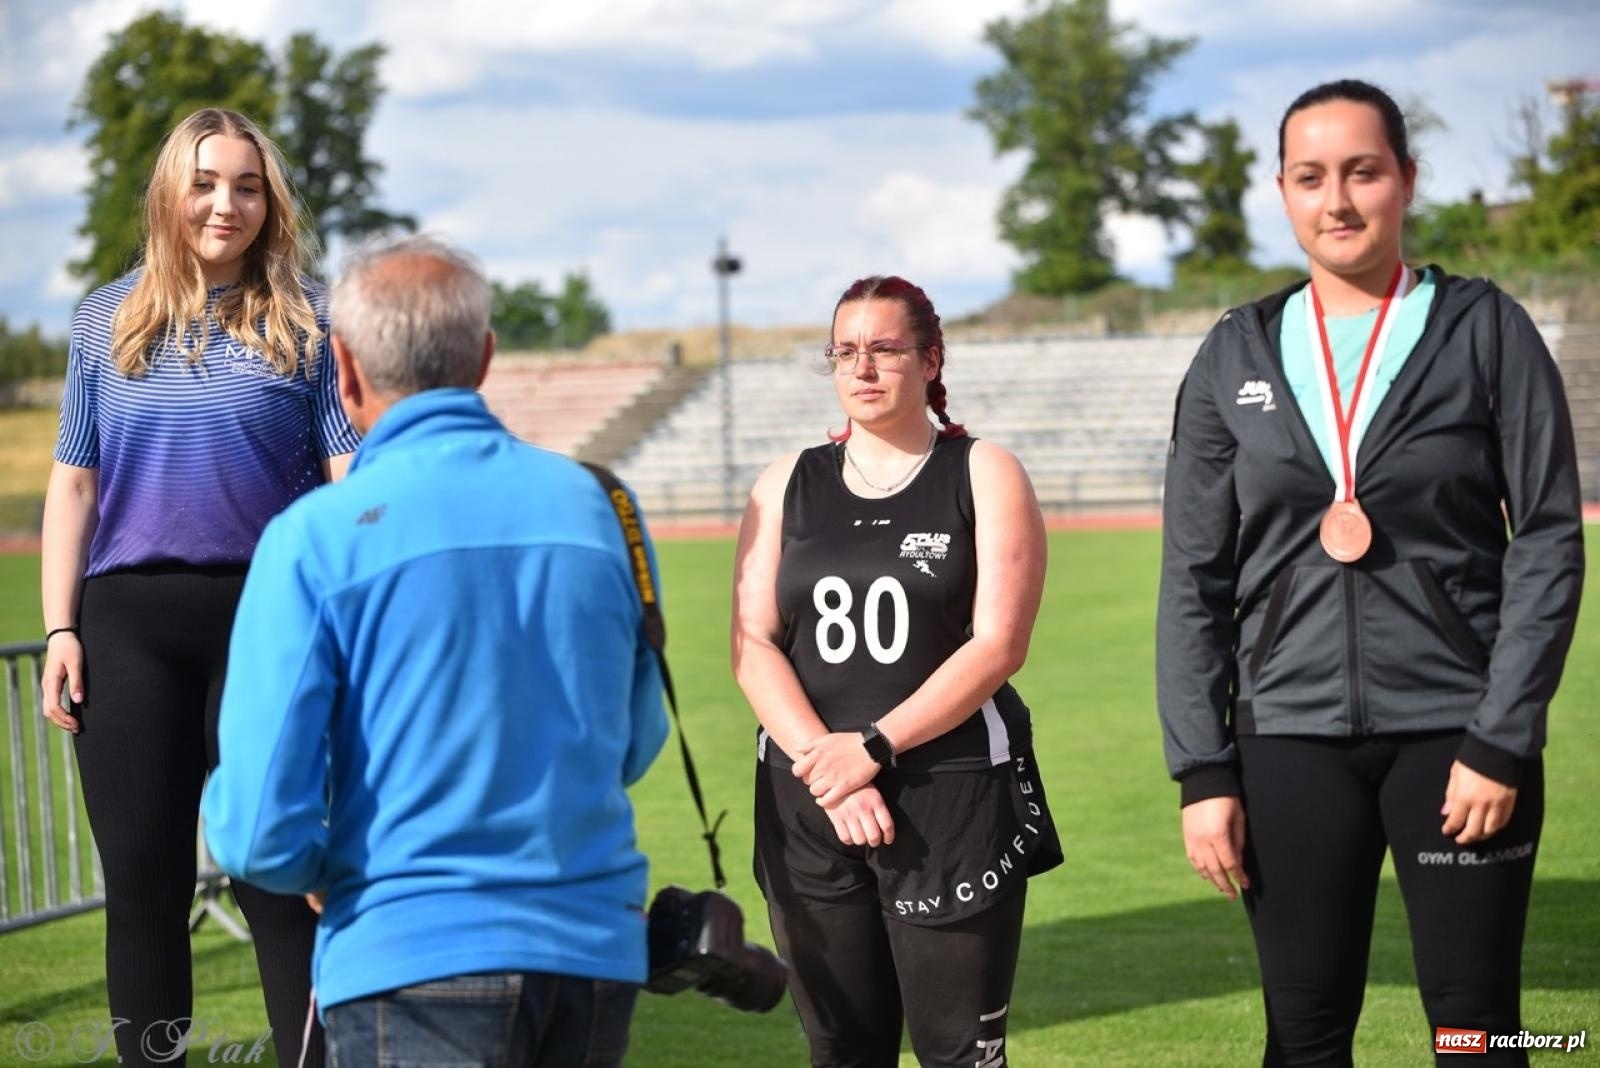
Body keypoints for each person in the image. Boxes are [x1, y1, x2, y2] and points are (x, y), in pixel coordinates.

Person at [1157, 79, 1585, 1066]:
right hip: (1287, 744)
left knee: (1478, 1031)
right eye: (1310, 177)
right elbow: (1192, 578)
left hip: (1457, 736)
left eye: (1362, 171)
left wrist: (1501, 737)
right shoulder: (1233, 354)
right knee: (1302, 1038)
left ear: (1405, 180)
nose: (1337, 200)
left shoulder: (1485, 329)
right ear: (1282, 190)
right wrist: (1202, 769)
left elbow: (1550, 540)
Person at [199, 234, 669, 1068]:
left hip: (407, 947)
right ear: (485, 356)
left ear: (341, 370)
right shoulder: (603, 502)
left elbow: (261, 829)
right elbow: (631, 742)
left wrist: (330, 862)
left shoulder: (315, 538)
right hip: (591, 944)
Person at [39, 107, 358, 1067]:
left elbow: (349, 478)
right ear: (173, 193)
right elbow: (76, 481)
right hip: (127, 629)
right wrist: (61, 630)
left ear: (271, 201)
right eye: (208, 182)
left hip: (268, 626)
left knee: (276, 872)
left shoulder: (310, 318)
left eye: (249, 185)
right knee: (142, 889)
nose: (228, 203)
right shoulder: (104, 318)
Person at [732, 275, 1063, 1068]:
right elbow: (753, 641)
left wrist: (871, 749)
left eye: (885, 349)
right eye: (846, 351)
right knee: (842, 1051)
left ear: (930, 358)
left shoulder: (983, 471)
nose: (863, 368)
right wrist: (831, 771)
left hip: (948, 797)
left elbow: (997, 646)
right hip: (809, 801)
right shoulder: (786, 483)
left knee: (958, 1054)